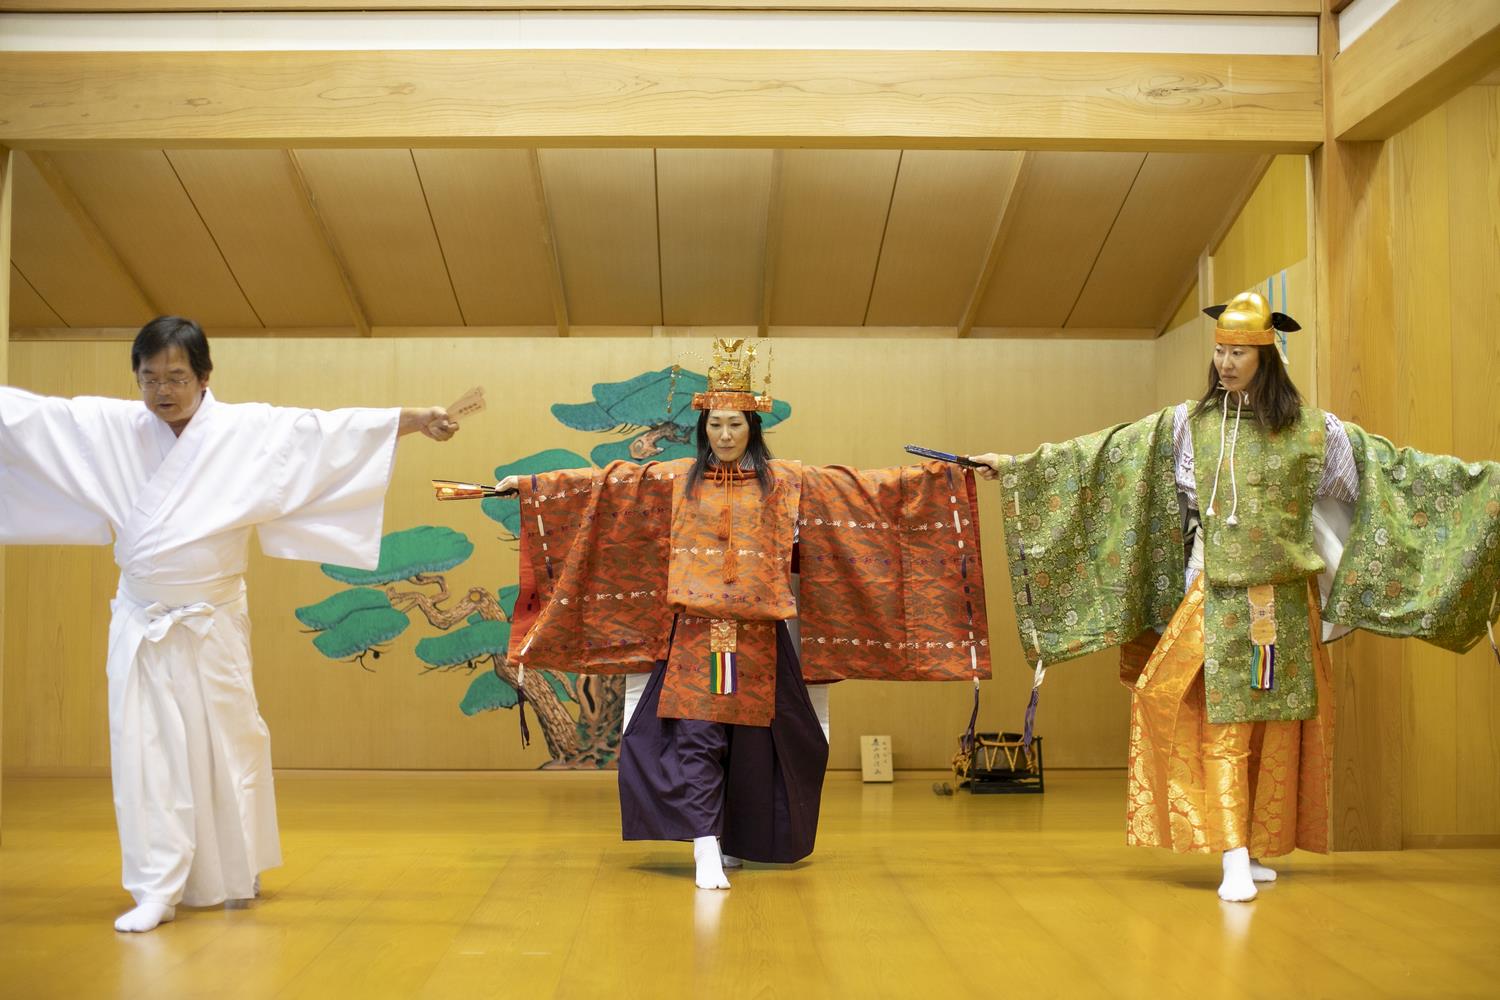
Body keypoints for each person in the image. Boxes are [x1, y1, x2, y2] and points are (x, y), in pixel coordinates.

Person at [970, 291, 1500, 902]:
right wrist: (1016, 466)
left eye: (1238, 352)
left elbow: (1397, 472)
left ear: (1266, 356)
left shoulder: (1316, 432)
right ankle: (1230, 855)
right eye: (1220, 350)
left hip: (1286, 603)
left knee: (1273, 729)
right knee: (1211, 722)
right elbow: (1102, 456)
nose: (1225, 362)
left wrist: (1485, 487)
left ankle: (1250, 844)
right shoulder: (1186, 426)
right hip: (1212, 595)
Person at [0, 316, 461, 932]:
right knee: (145, 752)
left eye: (176, 377)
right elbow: (33, 422)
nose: (162, 391)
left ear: (204, 377)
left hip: (212, 618)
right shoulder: (111, 430)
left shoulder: (245, 432)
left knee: (230, 741)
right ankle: (156, 886)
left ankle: (237, 868)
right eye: (149, 378)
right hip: (141, 619)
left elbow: (322, 434)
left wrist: (413, 419)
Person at [495, 339, 990, 889]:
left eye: (735, 425)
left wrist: (946, 477)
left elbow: (866, 488)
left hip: (759, 637)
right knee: (696, 734)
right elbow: (606, 485)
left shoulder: (788, 481)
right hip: (695, 633)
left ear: (752, 428)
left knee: (754, 745)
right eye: (715, 425)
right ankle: (704, 843)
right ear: (702, 428)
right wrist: (532, 488)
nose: (725, 435)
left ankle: (729, 836)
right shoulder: (675, 479)